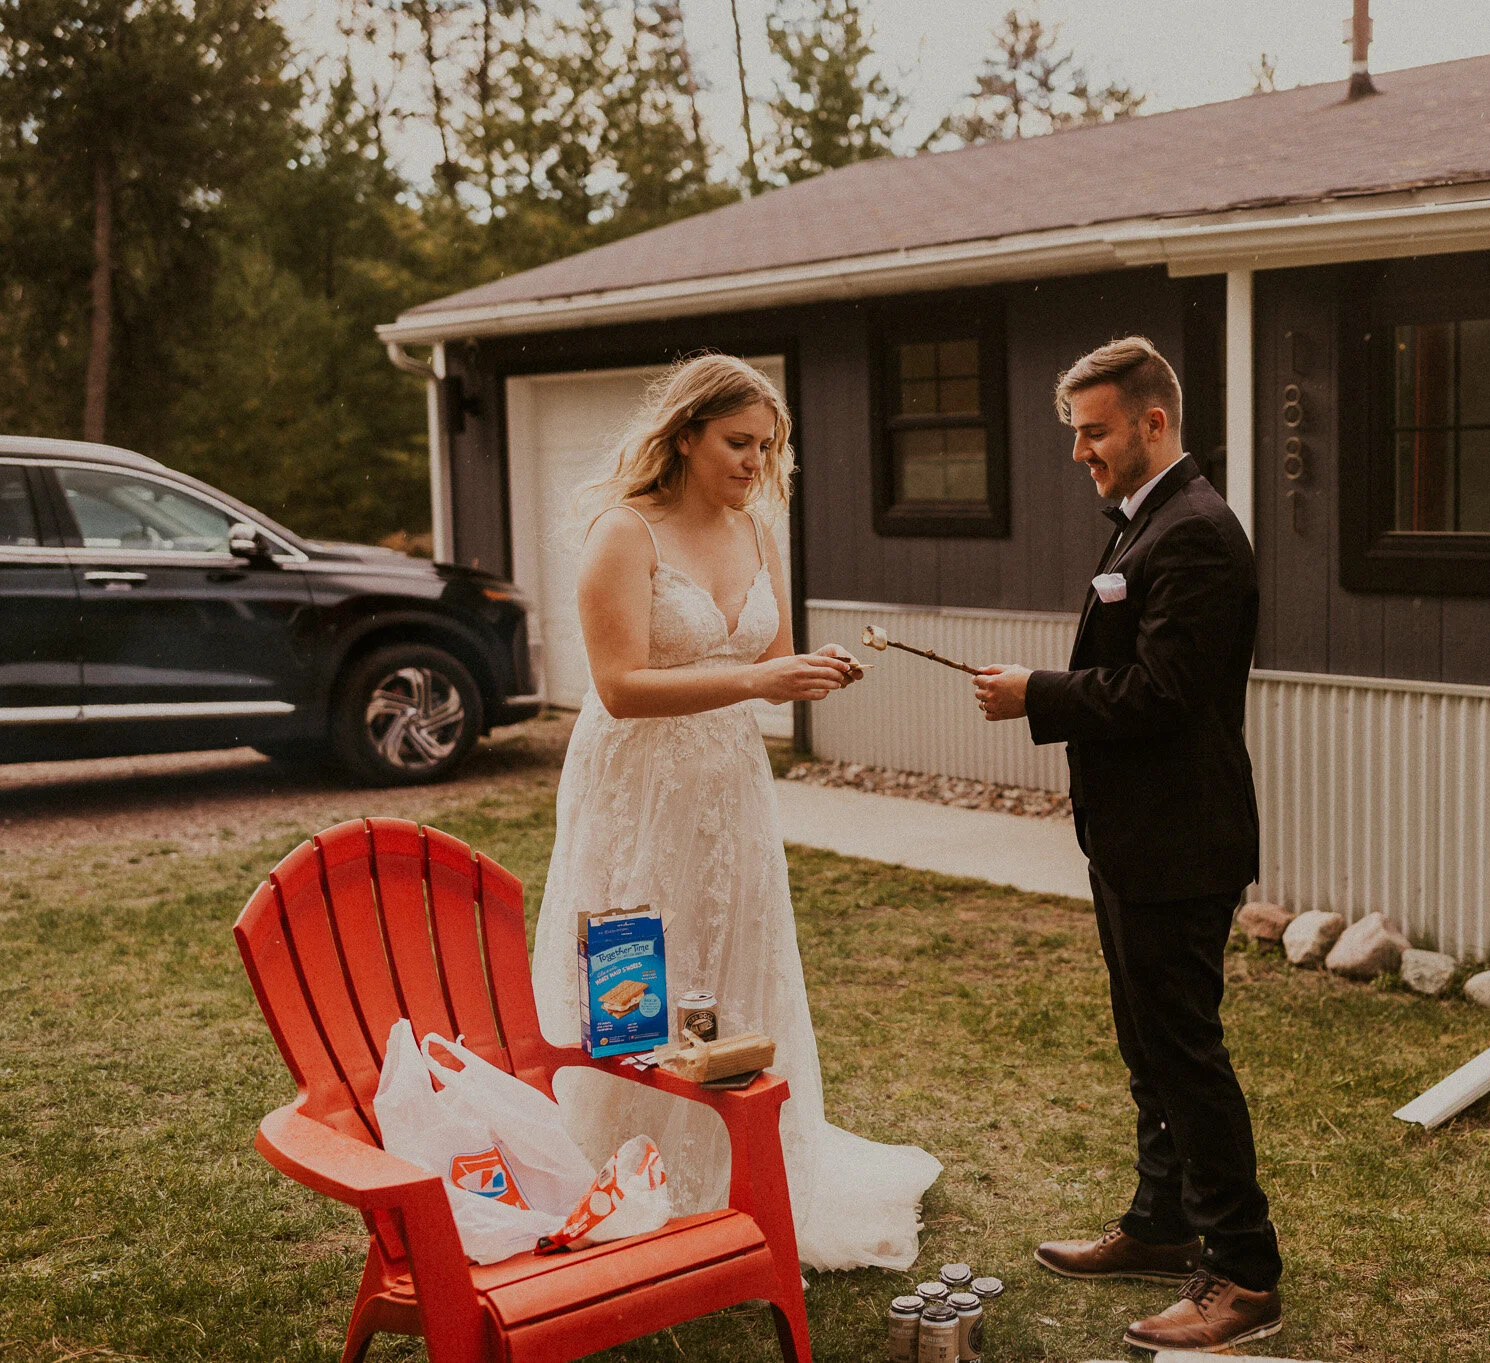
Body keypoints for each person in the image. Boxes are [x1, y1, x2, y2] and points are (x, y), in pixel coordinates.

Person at [531, 352, 941, 1272]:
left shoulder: (759, 530)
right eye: (738, 442)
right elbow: (620, 686)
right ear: (684, 435)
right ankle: (622, 1165)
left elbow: (770, 651)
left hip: (727, 780)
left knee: (735, 950)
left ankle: (747, 1163)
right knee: (644, 961)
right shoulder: (623, 532)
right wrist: (759, 678)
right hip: (635, 783)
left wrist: (810, 671)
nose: (756, 461)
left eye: (767, 445)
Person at [972, 336, 1281, 1352]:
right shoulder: (1146, 523)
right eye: (1075, 434)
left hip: (1179, 842)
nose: (1079, 453)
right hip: (1135, 837)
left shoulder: (1193, 531)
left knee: (1185, 1054)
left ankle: (1240, 1272)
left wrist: (1037, 695)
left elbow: (1163, 693)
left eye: (1093, 431)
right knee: (1149, 1048)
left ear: (1154, 422)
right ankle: (1158, 1224)